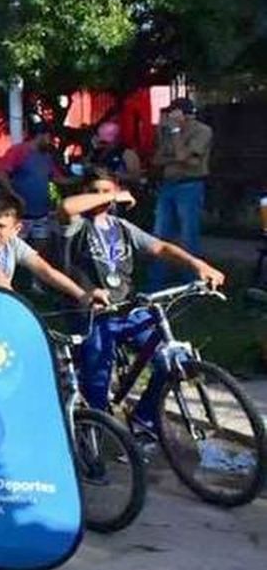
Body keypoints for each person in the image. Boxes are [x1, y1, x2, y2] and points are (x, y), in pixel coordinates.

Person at [58, 173, 225, 444]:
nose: (102, 198)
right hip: (94, 314)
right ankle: (94, 439)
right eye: (95, 191)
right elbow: (66, 207)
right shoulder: (77, 226)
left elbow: (160, 247)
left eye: (107, 191)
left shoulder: (121, 226)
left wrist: (199, 265)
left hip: (126, 308)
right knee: (97, 378)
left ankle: (144, 418)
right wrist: (112, 195)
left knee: (172, 360)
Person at [0, 191, 108, 307]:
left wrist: (82, 295)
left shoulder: (14, 244)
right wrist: (14, 301)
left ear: (16, 229)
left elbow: (45, 271)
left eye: (1, 226)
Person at [151, 97, 212, 271]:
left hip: (190, 186)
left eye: (172, 113)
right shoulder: (168, 132)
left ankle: (192, 278)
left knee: (188, 234)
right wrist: (178, 158)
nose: (168, 117)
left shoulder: (202, 131)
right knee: (160, 234)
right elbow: (157, 159)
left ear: (182, 114)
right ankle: (157, 278)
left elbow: (181, 156)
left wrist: (176, 131)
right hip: (168, 184)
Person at [0, 121, 68, 247]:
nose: (51, 142)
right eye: (49, 137)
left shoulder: (47, 157)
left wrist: (81, 179)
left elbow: (56, 179)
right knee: (15, 249)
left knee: (41, 249)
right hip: (20, 214)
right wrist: (14, 195)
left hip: (41, 214)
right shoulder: (19, 151)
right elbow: (1, 175)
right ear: (41, 135)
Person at [85, 122, 142, 188]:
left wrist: (111, 175)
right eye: (100, 142)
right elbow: (86, 166)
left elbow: (135, 178)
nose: (101, 146)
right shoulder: (95, 153)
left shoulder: (128, 155)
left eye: (104, 143)